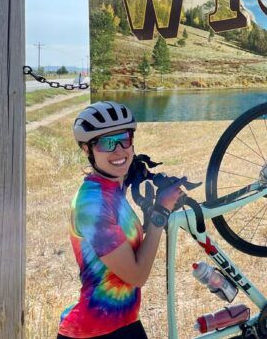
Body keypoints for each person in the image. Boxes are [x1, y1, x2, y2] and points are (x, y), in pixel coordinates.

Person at [57, 101, 182, 339]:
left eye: (124, 138)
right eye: (106, 142)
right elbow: (137, 275)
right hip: (94, 332)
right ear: (87, 150)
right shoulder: (92, 206)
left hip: (123, 323)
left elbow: (125, 164)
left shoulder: (111, 185)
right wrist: (160, 214)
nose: (118, 150)